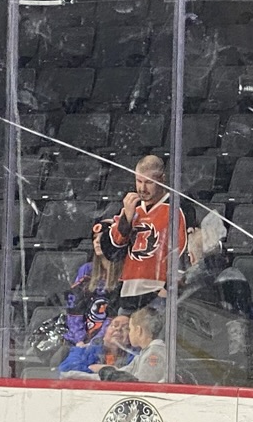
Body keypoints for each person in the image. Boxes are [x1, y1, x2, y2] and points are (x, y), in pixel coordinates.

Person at [105, 155, 189, 312]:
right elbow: (112, 253)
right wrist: (126, 219)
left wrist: (167, 289)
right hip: (128, 293)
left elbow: (183, 250)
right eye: (139, 181)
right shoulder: (130, 208)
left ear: (162, 179)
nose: (142, 188)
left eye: (149, 182)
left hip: (158, 293)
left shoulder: (178, 208)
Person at [60, 312, 130, 377]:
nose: (118, 329)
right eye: (114, 325)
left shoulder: (133, 357)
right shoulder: (83, 350)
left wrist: (98, 368)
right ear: (105, 332)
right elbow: (66, 369)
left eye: (126, 328)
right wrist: (106, 369)